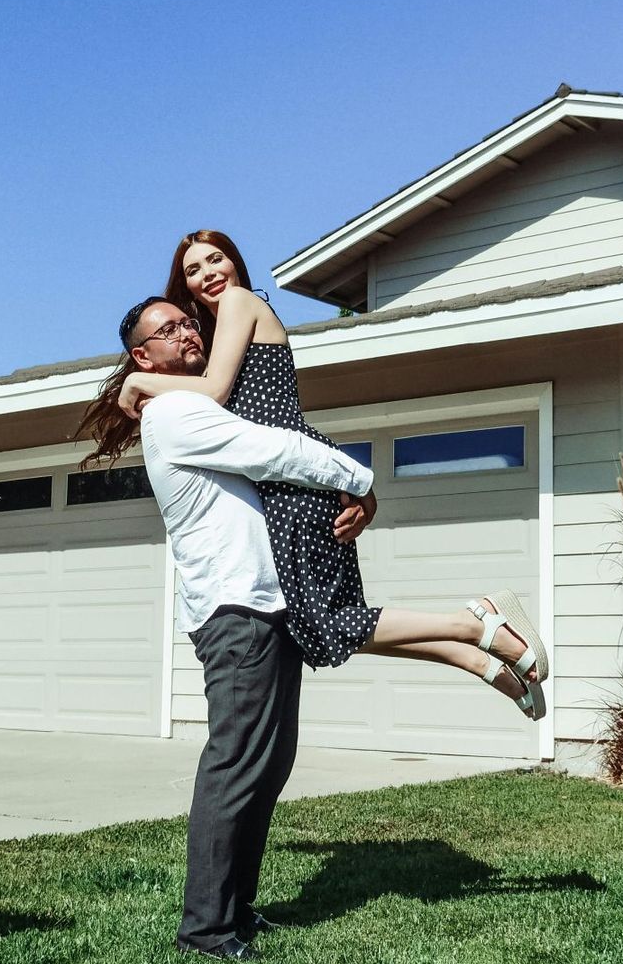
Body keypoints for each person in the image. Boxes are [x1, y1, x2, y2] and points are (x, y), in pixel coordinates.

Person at [80, 230, 549, 719]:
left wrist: (136, 379)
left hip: (292, 475)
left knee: (328, 623)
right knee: (323, 627)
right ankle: (473, 657)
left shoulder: (240, 303)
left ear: (235, 263)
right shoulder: (219, 332)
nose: (208, 274)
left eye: (215, 259)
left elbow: (215, 390)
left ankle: (474, 624)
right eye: (193, 271)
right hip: (287, 482)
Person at [102, 296, 376, 960]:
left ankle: (237, 911)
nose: (186, 331)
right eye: (166, 330)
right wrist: (360, 480)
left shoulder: (193, 402)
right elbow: (272, 450)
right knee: (235, 764)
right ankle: (205, 929)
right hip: (234, 611)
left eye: (187, 321)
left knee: (267, 764)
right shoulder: (174, 411)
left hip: (266, 603)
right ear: (143, 356)